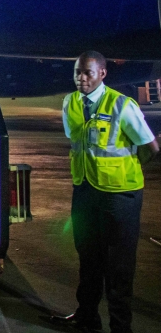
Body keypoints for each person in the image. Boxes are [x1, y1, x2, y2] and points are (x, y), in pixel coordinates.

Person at [47, 51, 159, 333]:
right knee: (88, 259)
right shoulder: (70, 102)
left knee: (119, 267)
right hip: (85, 191)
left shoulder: (122, 104)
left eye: (87, 73)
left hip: (120, 196)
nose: (81, 79)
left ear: (102, 74)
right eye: (77, 73)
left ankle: (121, 327)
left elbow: (150, 147)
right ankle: (87, 318)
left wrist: (122, 170)